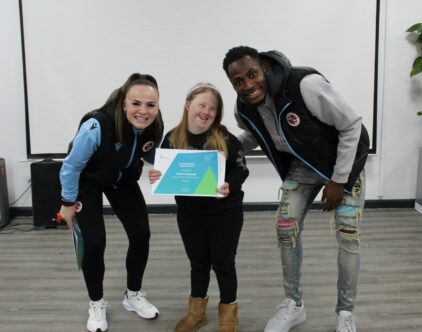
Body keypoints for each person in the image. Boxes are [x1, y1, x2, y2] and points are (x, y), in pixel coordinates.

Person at [222, 46, 369, 332]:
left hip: (343, 165)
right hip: (303, 166)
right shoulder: (244, 108)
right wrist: (219, 148)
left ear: (264, 67)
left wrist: (338, 181)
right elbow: (256, 136)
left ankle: (345, 313)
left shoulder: (305, 86)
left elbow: (351, 125)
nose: (248, 85)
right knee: (285, 227)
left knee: (348, 236)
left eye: (252, 74)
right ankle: (293, 304)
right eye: (238, 81)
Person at [59, 73, 164, 332]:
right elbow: (71, 167)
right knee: (94, 244)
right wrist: (67, 202)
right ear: (124, 103)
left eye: (150, 105)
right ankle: (96, 303)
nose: (143, 111)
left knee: (141, 234)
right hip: (88, 181)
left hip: (121, 179)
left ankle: (133, 296)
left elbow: (152, 157)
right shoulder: (98, 125)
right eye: (136, 103)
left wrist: (161, 171)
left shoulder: (154, 125)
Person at [149, 82, 249, 332]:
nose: (206, 112)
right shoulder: (172, 138)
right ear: (188, 105)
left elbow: (241, 168)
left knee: (224, 264)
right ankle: (197, 314)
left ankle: (228, 317)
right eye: (201, 105)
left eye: (212, 108)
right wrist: (157, 176)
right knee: (198, 263)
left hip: (225, 213)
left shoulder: (225, 137)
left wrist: (229, 185)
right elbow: (166, 173)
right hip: (189, 214)